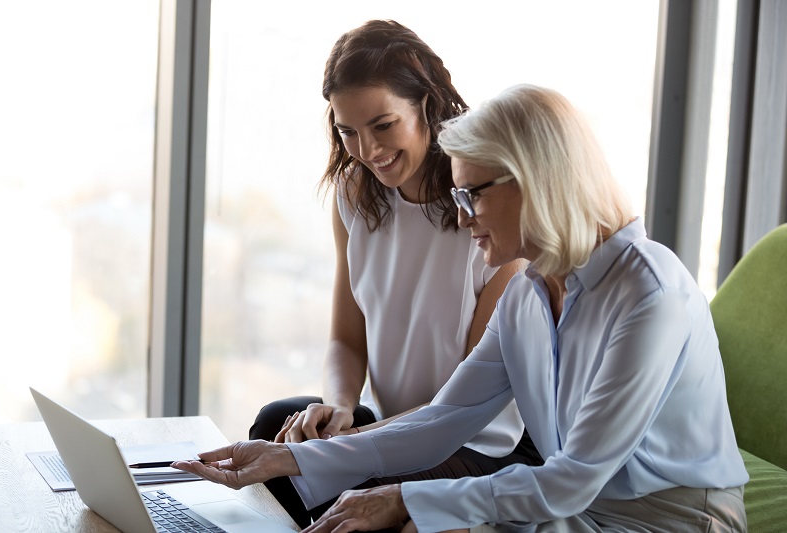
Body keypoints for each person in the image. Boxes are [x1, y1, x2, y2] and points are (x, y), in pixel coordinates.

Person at [176, 84, 749, 532]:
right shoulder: (529, 295)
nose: (462, 215)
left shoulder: (649, 293)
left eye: (472, 193)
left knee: (424, 518)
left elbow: (571, 480)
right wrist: (284, 462)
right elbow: (442, 420)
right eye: (457, 194)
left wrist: (403, 495)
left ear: (536, 182)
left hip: (671, 523)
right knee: (422, 519)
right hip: (572, 510)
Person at [246, 20, 540, 527]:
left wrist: (354, 446)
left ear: (426, 104)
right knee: (277, 426)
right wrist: (339, 408)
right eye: (347, 131)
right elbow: (346, 339)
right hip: (395, 425)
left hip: (477, 439)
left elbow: (466, 401)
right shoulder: (354, 199)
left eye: (383, 125)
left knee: (345, 481)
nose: (366, 150)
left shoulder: (488, 213)